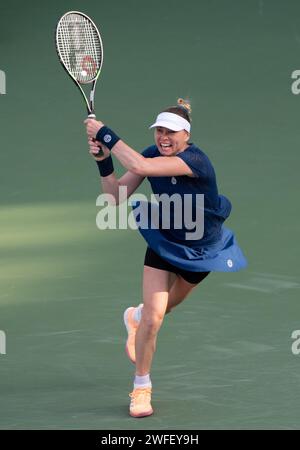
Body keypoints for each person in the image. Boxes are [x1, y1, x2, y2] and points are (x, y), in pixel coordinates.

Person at [84, 98, 247, 418]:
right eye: (159, 130)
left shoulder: (196, 160)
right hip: (164, 240)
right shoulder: (149, 154)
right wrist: (104, 162)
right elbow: (114, 198)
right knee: (155, 317)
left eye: (171, 131)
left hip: (203, 250)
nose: (164, 137)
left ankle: (134, 317)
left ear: (186, 136)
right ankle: (141, 387)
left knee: (165, 307)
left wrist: (104, 133)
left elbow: (143, 168)